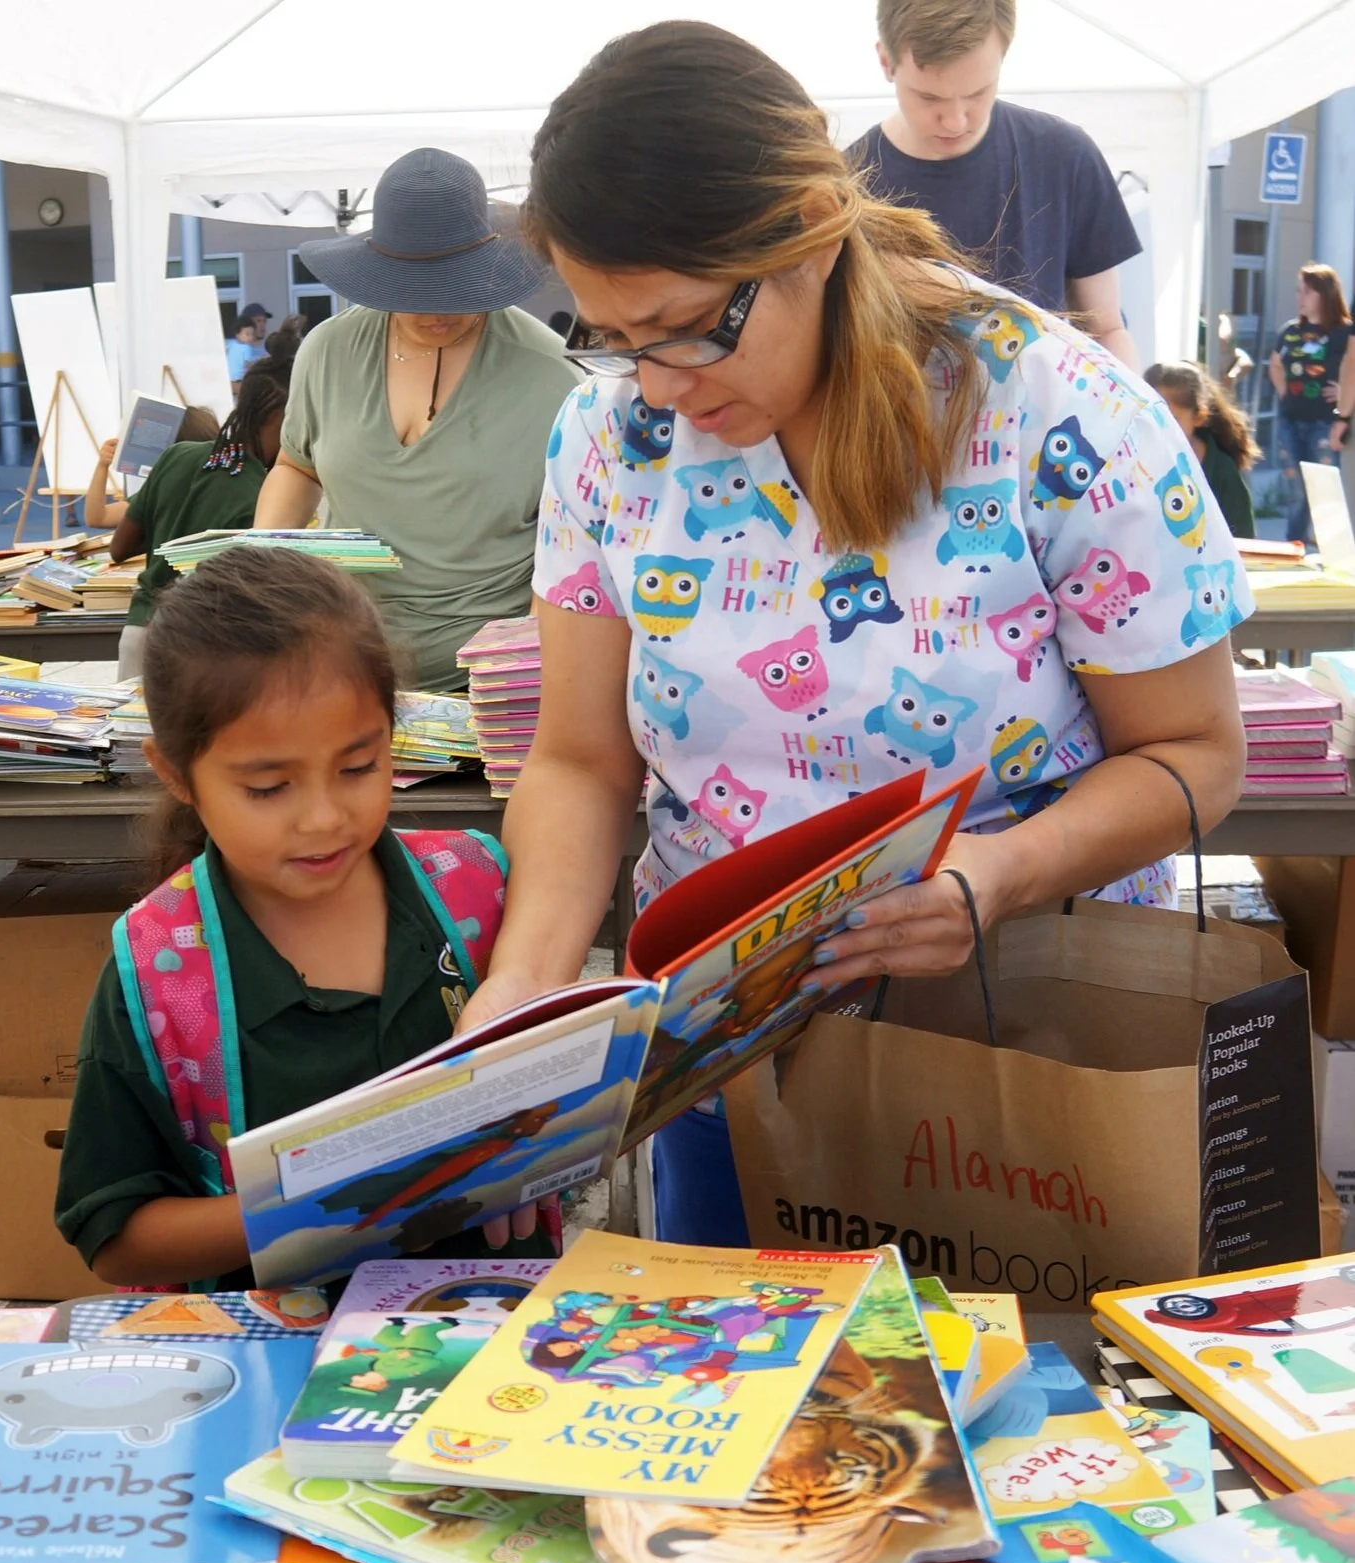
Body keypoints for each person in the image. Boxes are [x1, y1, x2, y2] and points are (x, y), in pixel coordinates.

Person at [465, 22, 1248, 1246]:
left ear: (812, 235)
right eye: (614, 338)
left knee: (1011, 1417)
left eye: (685, 327)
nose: (658, 385)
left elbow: (1194, 753)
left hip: (1020, 1043)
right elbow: (578, 758)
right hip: (724, 1054)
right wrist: (521, 988)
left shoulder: (1049, 404)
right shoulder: (607, 438)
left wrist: (996, 876)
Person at [54, 546, 550, 1289]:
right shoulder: (159, 970)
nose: (323, 818)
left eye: (358, 767)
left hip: (496, 1350)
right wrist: (328, 1203)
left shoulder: (476, 891)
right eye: (268, 786)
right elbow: (117, 1234)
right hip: (272, 1371)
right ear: (175, 774)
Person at [254, 148, 578, 692]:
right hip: (340, 670)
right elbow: (297, 466)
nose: (440, 309)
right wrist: (262, 573)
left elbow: (570, 544)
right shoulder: (328, 350)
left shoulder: (551, 374)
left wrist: (518, 673)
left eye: (459, 285)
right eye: (417, 289)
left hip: (491, 687)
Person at [848, 0, 1142, 367]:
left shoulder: (1066, 156)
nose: (955, 121)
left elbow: (1107, 332)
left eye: (977, 93)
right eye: (929, 97)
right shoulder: (846, 191)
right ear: (885, 62)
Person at [109, 353, 292, 677]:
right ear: (280, 419)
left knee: (134, 728)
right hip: (203, 647)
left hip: (141, 631)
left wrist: (173, 528)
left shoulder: (176, 455)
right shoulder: (264, 497)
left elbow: (119, 548)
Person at [1268, 264, 1355, 546]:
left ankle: (1329, 549)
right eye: (1298, 290)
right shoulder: (1290, 330)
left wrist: (1344, 400)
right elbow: (1275, 365)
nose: (1300, 297)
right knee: (1296, 489)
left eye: (1307, 291)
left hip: (1325, 422)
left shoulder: (1344, 331)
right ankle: (1295, 545)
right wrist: (1284, 395)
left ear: (1325, 294)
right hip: (1290, 420)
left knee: (1325, 490)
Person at [1144, 361, 1259, 539]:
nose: (1159, 428)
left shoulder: (1222, 469)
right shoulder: (1132, 462)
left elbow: (1244, 541)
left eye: (1171, 419)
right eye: (1150, 417)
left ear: (1199, 417)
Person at [83, 406, 220, 532]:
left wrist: (103, 465)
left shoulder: (164, 492)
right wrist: (103, 465)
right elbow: (98, 517)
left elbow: (99, 520)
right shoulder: (163, 491)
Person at [226, 303, 272, 386]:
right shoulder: (234, 349)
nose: (262, 325)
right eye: (258, 321)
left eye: (264, 321)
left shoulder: (266, 350)